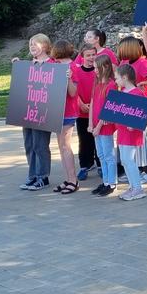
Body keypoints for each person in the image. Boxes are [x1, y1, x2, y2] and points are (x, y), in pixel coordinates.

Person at [116, 35, 147, 183]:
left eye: (122, 48)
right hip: (127, 102)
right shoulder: (124, 62)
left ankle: (145, 170)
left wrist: (143, 82)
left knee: (140, 137)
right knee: (129, 140)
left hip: (140, 103)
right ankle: (133, 169)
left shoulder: (142, 63)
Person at [14, 34, 54, 191]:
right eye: (30, 44)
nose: (31, 46)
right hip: (27, 111)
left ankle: (43, 176)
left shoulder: (52, 64)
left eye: (35, 43)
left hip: (43, 112)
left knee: (40, 145)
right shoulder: (29, 65)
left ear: (44, 45)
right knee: (29, 144)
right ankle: (33, 175)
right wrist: (18, 69)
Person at [112, 63, 147, 201]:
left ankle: (138, 188)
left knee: (128, 159)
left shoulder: (137, 93)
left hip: (131, 132)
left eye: (117, 78)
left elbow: (142, 113)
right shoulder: (123, 92)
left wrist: (134, 125)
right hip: (122, 131)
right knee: (124, 160)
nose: (115, 81)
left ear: (125, 77)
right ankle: (133, 186)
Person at [53, 40, 80, 193]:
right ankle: (67, 178)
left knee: (66, 146)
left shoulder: (72, 67)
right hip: (57, 110)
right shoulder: (56, 66)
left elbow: (72, 93)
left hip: (68, 111)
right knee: (61, 146)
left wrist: (69, 78)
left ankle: (73, 180)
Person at [89, 55, 119, 197]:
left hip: (104, 126)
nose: (94, 70)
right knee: (101, 154)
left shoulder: (111, 85)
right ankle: (106, 181)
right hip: (95, 125)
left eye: (96, 67)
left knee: (108, 155)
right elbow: (93, 103)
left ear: (105, 67)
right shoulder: (96, 83)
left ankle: (112, 182)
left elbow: (108, 108)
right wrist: (90, 124)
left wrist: (98, 126)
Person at [72, 44, 99, 180]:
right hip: (82, 112)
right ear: (82, 57)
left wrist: (95, 106)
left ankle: (100, 164)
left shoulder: (99, 71)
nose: (91, 57)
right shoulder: (76, 71)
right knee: (84, 140)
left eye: (93, 54)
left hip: (97, 111)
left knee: (98, 139)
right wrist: (80, 104)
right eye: (88, 55)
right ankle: (84, 166)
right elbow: (73, 91)